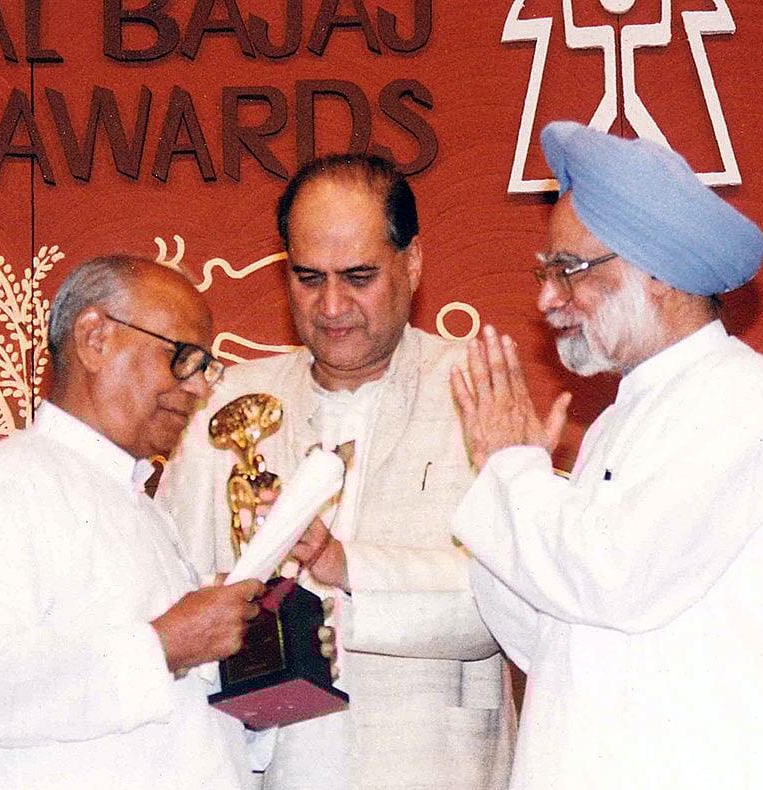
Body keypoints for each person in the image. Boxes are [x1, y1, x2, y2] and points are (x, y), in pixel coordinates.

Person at [449, 121, 763, 789]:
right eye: (547, 272)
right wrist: (499, 500)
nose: (547, 298)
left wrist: (515, 473)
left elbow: (613, 578)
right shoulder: (618, 424)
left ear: (656, 273)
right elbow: (556, 642)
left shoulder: (737, 395)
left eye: (568, 270)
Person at [157, 154, 515, 790]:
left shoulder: (477, 392)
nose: (331, 305)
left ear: (412, 264)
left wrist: (346, 568)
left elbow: (505, 600)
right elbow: (169, 599)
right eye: (307, 278)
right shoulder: (222, 408)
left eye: (358, 277)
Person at [0, 254, 267, 789]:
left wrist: (264, 664)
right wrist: (166, 645)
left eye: (206, 368)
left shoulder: (143, 508)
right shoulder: (7, 481)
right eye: (183, 358)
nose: (200, 388)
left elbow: (168, 724)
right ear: (95, 339)